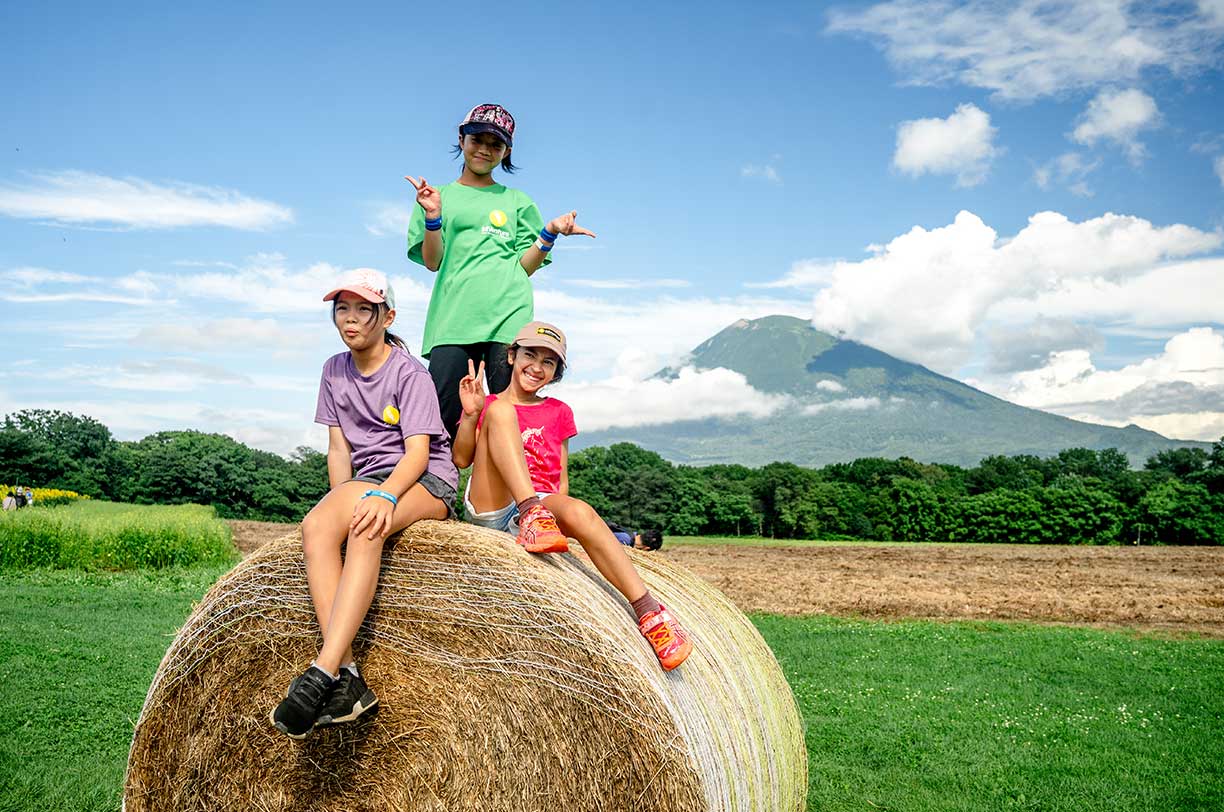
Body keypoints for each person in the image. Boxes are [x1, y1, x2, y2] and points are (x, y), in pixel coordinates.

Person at [271, 268, 459, 739]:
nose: (350, 319)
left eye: (362, 309)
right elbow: (339, 449)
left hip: (423, 478)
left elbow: (418, 453)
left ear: (387, 315)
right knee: (317, 527)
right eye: (342, 309)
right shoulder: (333, 370)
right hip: (367, 478)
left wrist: (384, 495)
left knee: (366, 525)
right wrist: (339, 499)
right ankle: (349, 677)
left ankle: (322, 670)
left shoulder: (409, 372)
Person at [452, 321, 693, 671]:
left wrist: (565, 526)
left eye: (548, 362)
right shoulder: (487, 403)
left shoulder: (559, 412)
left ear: (556, 372)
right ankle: (531, 512)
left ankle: (650, 613)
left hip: (542, 508)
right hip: (496, 506)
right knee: (501, 411)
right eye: (530, 355)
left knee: (580, 511)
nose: (536, 367)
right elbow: (461, 459)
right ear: (511, 355)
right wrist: (472, 414)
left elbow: (559, 480)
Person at [405, 103, 596, 441]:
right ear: (461, 139)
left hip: (508, 316)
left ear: (506, 151)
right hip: (453, 319)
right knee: (440, 416)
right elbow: (433, 261)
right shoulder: (438, 196)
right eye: (477, 139)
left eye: (496, 145)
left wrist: (549, 233)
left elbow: (524, 267)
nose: (485, 150)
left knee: (509, 418)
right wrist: (433, 216)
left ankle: (510, 493)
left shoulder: (517, 201)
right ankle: (434, 487)